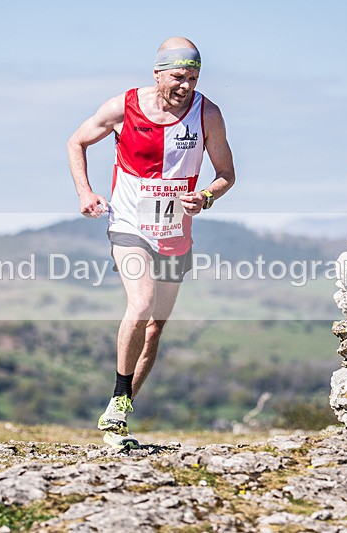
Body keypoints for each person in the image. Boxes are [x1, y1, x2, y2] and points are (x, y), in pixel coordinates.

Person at [67, 36, 236, 449]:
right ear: (158, 72)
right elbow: (76, 142)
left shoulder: (208, 114)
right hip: (130, 224)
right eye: (178, 77)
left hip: (176, 231)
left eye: (193, 78)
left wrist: (207, 196)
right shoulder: (121, 107)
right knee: (140, 305)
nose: (186, 87)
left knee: (156, 327)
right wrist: (85, 193)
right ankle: (121, 399)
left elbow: (226, 173)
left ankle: (117, 410)